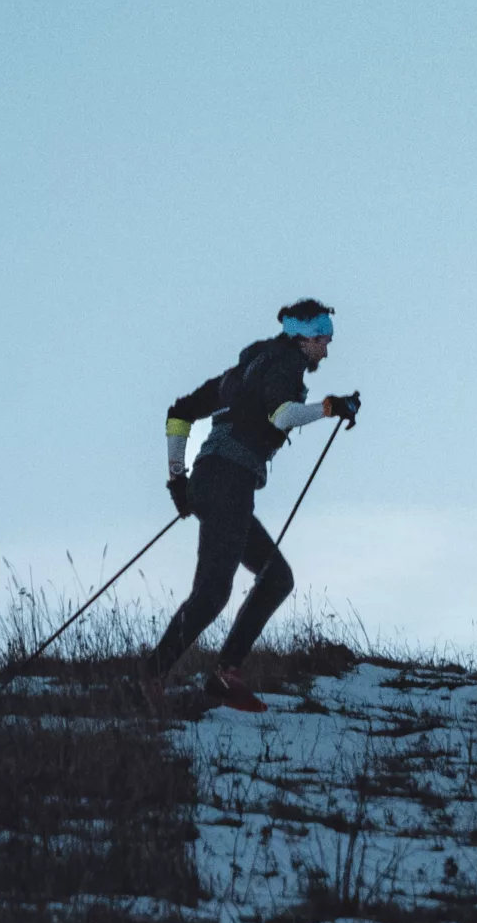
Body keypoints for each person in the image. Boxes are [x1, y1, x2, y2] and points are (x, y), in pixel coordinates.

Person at [146, 297, 358, 711]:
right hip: (227, 481)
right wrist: (331, 407)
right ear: (302, 337)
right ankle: (152, 674)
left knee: (276, 576)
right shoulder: (285, 363)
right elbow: (282, 416)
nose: (327, 349)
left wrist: (178, 481)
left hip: (217, 481)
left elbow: (179, 414)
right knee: (212, 593)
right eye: (322, 339)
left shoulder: (239, 372)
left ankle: (226, 675)